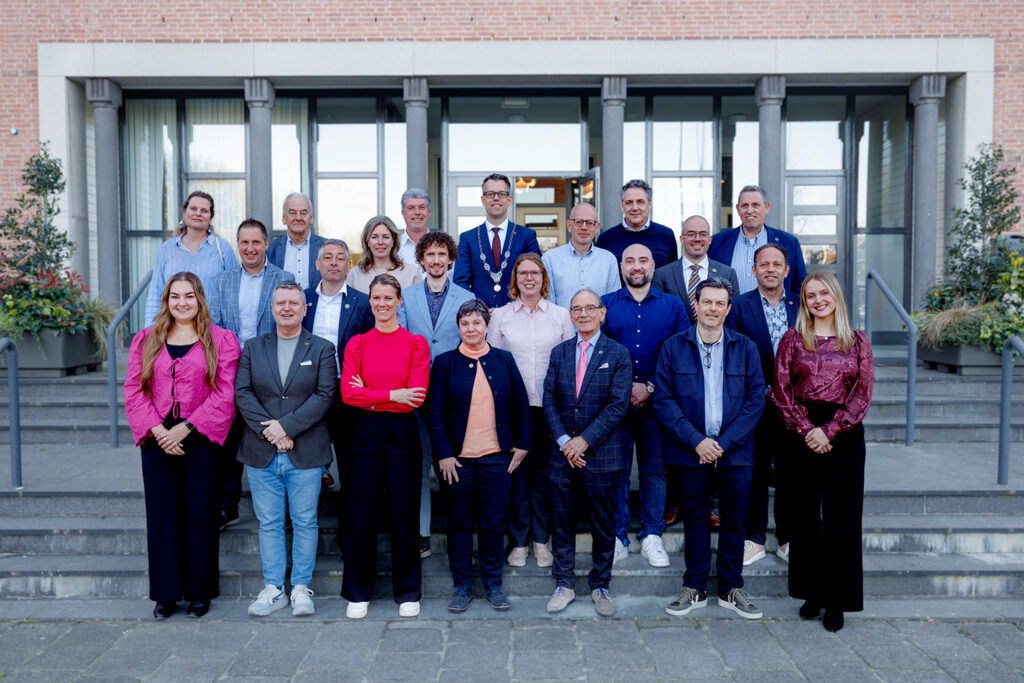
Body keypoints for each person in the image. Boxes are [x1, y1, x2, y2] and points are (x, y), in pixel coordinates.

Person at [124, 272, 240, 619]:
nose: (182, 303)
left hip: (201, 438)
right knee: (163, 516)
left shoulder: (221, 340)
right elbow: (134, 390)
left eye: (189, 296)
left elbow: (225, 393)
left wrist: (186, 428)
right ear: (166, 301)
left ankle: (200, 592)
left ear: (199, 299)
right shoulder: (146, 340)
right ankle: (166, 594)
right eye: (175, 296)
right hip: (157, 439)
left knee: (201, 515)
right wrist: (160, 431)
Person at [654, 277, 765, 620]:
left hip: (736, 451)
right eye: (707, 302)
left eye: (720, 303)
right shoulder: (673, 347)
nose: (713, 308)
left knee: (735, 520)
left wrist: (723, 444)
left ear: (728, 309)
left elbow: (755, 401)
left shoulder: (745, 348)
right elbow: (664, 400)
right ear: (696, 305)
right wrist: (697, 441)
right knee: (696, 519)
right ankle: (695, 587)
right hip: (690, 451)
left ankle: (731, 588)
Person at [772, 271, 874, 633]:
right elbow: (781, 389)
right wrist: (807, 429)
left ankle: (836, 600)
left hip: (844, 435)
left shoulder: (857, 341)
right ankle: (812, 592)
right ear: (804, 302)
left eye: (823, 293)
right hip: (800, 434)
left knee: (841, 519)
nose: (818, 300)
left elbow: (862, 394)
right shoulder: (793, 338)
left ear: (836, 296)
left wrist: (828, 431)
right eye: (810, 295)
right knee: (803, 518)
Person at [235, 281, 336, 618]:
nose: (287, 308)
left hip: (306, 452)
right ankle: (274, 588)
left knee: (305, 522)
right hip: (261, 453)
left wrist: (286, 427)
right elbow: (243, 393)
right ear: (272, 308)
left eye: (294, 302)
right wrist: (272, 432)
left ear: (305, 309)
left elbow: (324, 395)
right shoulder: (253, 347)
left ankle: (301, 587)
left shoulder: (322, 348)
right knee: (269, 524)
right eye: (281, 303)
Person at [428, 300, 532, 613]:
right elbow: (435, 413)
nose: (471, 329)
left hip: (496, 457)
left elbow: (521, 404)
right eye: (465, 323)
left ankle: (493, 585)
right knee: (458, 523)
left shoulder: (504, 360)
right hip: (456, 461)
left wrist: (522, 444)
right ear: (458, 327)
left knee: (492, 522)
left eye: (477, 323)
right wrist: (444, 454)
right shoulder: (445, 363)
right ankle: (461, 586)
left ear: (487, 326)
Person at [339, 274, 431, 619]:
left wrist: (371, 394)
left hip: (402, 432)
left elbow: (415, 398)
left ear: (399, 301)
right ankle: (358, 592)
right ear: (370, 301)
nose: (382, 304)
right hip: (364, 432)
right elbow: (349, 394)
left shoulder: (416, 344)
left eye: (388, 298)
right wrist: (393, 394)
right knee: (360, 512)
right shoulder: (357, 344)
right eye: (376, 298)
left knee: (404, 511)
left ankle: (407, 591)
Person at [542, 289, 632, 617]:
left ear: (602, 313)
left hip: (602, 454)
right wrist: (566, 440)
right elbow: (549, 399)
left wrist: (584, 441)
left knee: (603, 524)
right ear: (570, 315)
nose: (583, 314)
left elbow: (617, 405)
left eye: (589, 308)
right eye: (577, 309)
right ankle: (564, 583)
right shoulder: (559, 352)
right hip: (562, 454)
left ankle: (600, 584)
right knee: (562, 521)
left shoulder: (618, 354)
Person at [601, 244, 690, 568]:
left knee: (654, 472)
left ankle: (652, 535)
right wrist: (624, 388)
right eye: (630, 261)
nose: (636, 266)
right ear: (621, 266)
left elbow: (681, 353)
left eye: (642, 260)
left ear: (653, 265)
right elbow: (598, 351)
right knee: (617, 472)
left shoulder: (673, 305)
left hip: (658, 404)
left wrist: (649, 386)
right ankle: (617, 536)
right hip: (616, 404)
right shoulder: (605, 305)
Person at [488, 254, 575, 569]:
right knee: (518, 477)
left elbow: (568, 362)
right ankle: (519, 542)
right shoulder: (501, 316)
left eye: (535, 273)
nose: (529, 278)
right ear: (515, 279)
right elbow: (494, 364)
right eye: (522, 273)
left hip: (551, 408)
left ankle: (541, 541)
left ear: (543, 278)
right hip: (515, 410)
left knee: (546, 477)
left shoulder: (560, 316)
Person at [209, 218, 294, 529]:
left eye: (256, 242)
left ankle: (284, 511)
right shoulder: (223, 281)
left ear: (266, 244)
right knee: (230, 439)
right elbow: (215, 327)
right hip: (230, 368)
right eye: (244, 242)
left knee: (274, 435)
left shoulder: (283, 278)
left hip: (272, 368)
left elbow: (289, 323)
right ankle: (227, 506)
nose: (250, 248)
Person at [397, 231, 475, 559]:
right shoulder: (406, 296)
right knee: (418, 465)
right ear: (421, 260)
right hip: (415, 391)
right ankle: (422, 532)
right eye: (430, 254)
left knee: (453, 463)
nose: (436, 260)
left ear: (451, 259)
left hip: (452, 393)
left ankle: (461, 534)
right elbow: (401, 340)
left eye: (442, 254)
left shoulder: (466, 297)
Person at [724, 244, 799, 566]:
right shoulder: (740, 306)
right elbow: (733, 355)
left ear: (786, 270)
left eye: (776, 264)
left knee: (790, 472)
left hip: (795, 406)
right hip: (754, 403)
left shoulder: (801, 304)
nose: (770, 269)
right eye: (764, 264)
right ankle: (753, 538)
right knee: (753, 472)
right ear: (753, 271)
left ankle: (787, 538)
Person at [301, 239, 374, 489]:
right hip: (308, 389)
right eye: (328, 257)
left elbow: (369, 346)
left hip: (347, 389)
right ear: (317, 264)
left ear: (349, 265)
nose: (334, 263)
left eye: (340, 258)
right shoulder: (303, 299)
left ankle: (349, 510)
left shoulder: (362, 302)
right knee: (309, 460)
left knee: (349, 458)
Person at [144, 191, 236, 326]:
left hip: (212, 329)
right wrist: (150, 330)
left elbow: (233, 294)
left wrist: (230, 332)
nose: (198, 213)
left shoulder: (223, 249)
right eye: (193, 208)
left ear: (210, 217)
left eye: (204, 211)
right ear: (184, 211)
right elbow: (156, 292)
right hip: (173, 329)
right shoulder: (167, 249)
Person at [454, 173, 542, 308]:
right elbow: (460, 283)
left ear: (509, 200)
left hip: (519, 313)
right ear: (483, 200)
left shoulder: (526, 236)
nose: (496, 198)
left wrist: (511, 308)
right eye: (490, 194)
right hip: (480, 316)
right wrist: (479, 309)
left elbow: (536, 277)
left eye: (502, 194)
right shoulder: (468, 238)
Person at [708, 185, 807, 295]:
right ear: (738, 209)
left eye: (755, 205)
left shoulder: (789, 243)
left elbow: (800, 288)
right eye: (745, 206)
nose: (750, 211)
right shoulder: (717, 243)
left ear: (766, 207)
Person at [653, 215, 739, 324]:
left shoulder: (728, 273)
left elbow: (733, 317)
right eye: (691, 234)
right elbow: (659, 316)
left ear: (710, 239)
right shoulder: (662, 275)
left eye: (703, 234)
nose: (697, 239)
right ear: (682, 239)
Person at [542, 202, 620, 309]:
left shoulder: (609, 260)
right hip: (561, 321)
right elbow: (547, 303)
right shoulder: (550, 259)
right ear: (569, 226)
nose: (584, 227)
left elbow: (613, 304)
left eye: (590, 223)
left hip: (599, 321)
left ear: (596, 227)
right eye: (578, 222)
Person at [595, 179, 677, 269]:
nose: (634, 208)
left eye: (640, 202)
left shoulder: (666, 235)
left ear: (649, 205)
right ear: (622, 206)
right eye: (629, 203)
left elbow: (673, 273)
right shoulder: (605, 239)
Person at [267, 192, 327, 292]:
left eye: (303, 213)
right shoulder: (270, 249)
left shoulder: (326, 247)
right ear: (284, 218)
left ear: (311, 218)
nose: (298, 218)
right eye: (292, 213)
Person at [346, 216, 423, 294]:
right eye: (374, 237)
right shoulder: (355, 274)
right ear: (367, 242)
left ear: (393, 241)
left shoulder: (411, 273)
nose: (380, 242)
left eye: (386, 237)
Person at [397, 188, 432, 272]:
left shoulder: (443, 247)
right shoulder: (394, 248)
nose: (417, 212)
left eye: (422, 207)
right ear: (403, 213)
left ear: (429, 212)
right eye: (411, 208)